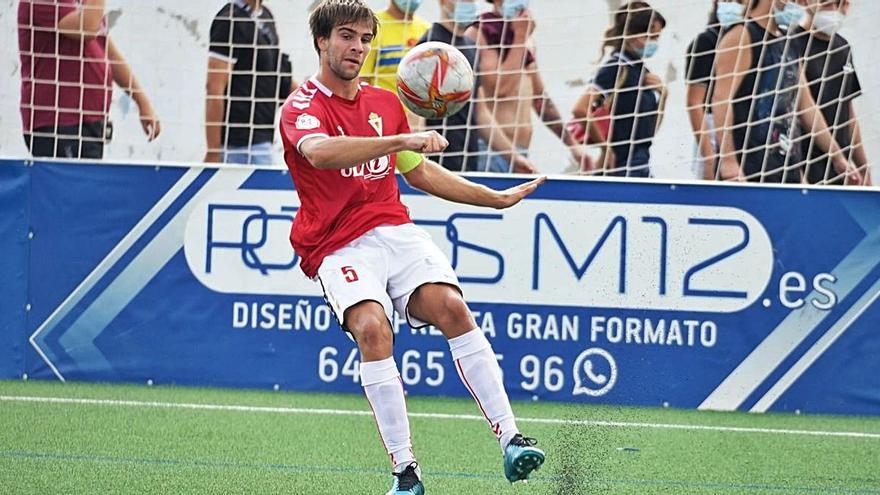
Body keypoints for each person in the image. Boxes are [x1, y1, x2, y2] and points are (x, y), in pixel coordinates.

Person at [280, 2, 546, 493]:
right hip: (337, 244)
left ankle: (512, 440)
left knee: (451, 306)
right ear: (322, 41)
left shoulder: (384, 103)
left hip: (394, 229)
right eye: (345, 36)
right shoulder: (301, 106)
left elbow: (418, 171)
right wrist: (400, 137)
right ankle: (406, 473)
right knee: (372, 329)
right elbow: (319, 153)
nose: (356, 47)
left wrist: (491, 199)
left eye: (363, 38)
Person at [712, 0, 862, 183]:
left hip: (784, 166)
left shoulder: (786, 41)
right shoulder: (742, 35)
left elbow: (806, 106)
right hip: (749, 167)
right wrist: (729, 161)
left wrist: (838, 156)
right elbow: (721, 99)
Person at [18, 0, 160, 159]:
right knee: (72, 183)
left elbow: (108, 54)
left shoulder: (85, 4)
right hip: (59, 123)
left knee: (87, 182)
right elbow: (86, 29)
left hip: (90, 123)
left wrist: (142, 102)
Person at [418, 0, 537, 173]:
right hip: (438, 163)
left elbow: (481, 113)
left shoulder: (469, 46)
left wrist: (514, 157)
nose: (470, 4)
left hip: (468, 161)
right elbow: (415, 112)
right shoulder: (430, 46)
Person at [467, 0, 582, 173]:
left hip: (521, 150)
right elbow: (500, 89)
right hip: (491, 149)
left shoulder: (525, 38)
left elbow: (540, 101)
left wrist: (572, 145)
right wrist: (520, 37)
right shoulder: (480, 31)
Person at [570, 1, 667, 178]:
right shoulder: (616, 67)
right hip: (621, 165)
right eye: (650, 36)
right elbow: (580, 109)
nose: (654, 43)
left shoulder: (640, 70)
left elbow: (649, 131)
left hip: (641, 160)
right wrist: (606, 149)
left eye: (657, 38)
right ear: (631, 34)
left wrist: (663, 96)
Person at [205, 0, 295, 165]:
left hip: (263, 138)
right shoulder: (230, 21)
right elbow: (214, 88)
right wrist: (213, 151)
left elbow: (277, 76)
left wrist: (321, 97)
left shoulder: (265, 15)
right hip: (237, 146)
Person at [792, 0, 870, 185]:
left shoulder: (843, 48)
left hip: (840, 168)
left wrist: (863, 168)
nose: (835, 11)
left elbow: (848, 113)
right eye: (828, 4)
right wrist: (837, 156)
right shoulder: (792, 44)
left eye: (841, 4)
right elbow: (804, 107)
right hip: (805, 162)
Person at [685, 0, 748, 180]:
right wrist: (709, 157)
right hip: (714, 131)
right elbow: (694, 102)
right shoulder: (706, 42)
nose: (731, 4)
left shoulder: (754, 39)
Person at [361, 0, 431, 98]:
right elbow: (361, 79)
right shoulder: (372, 26)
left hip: (417, 110)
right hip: (382, 107)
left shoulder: (427, 30)